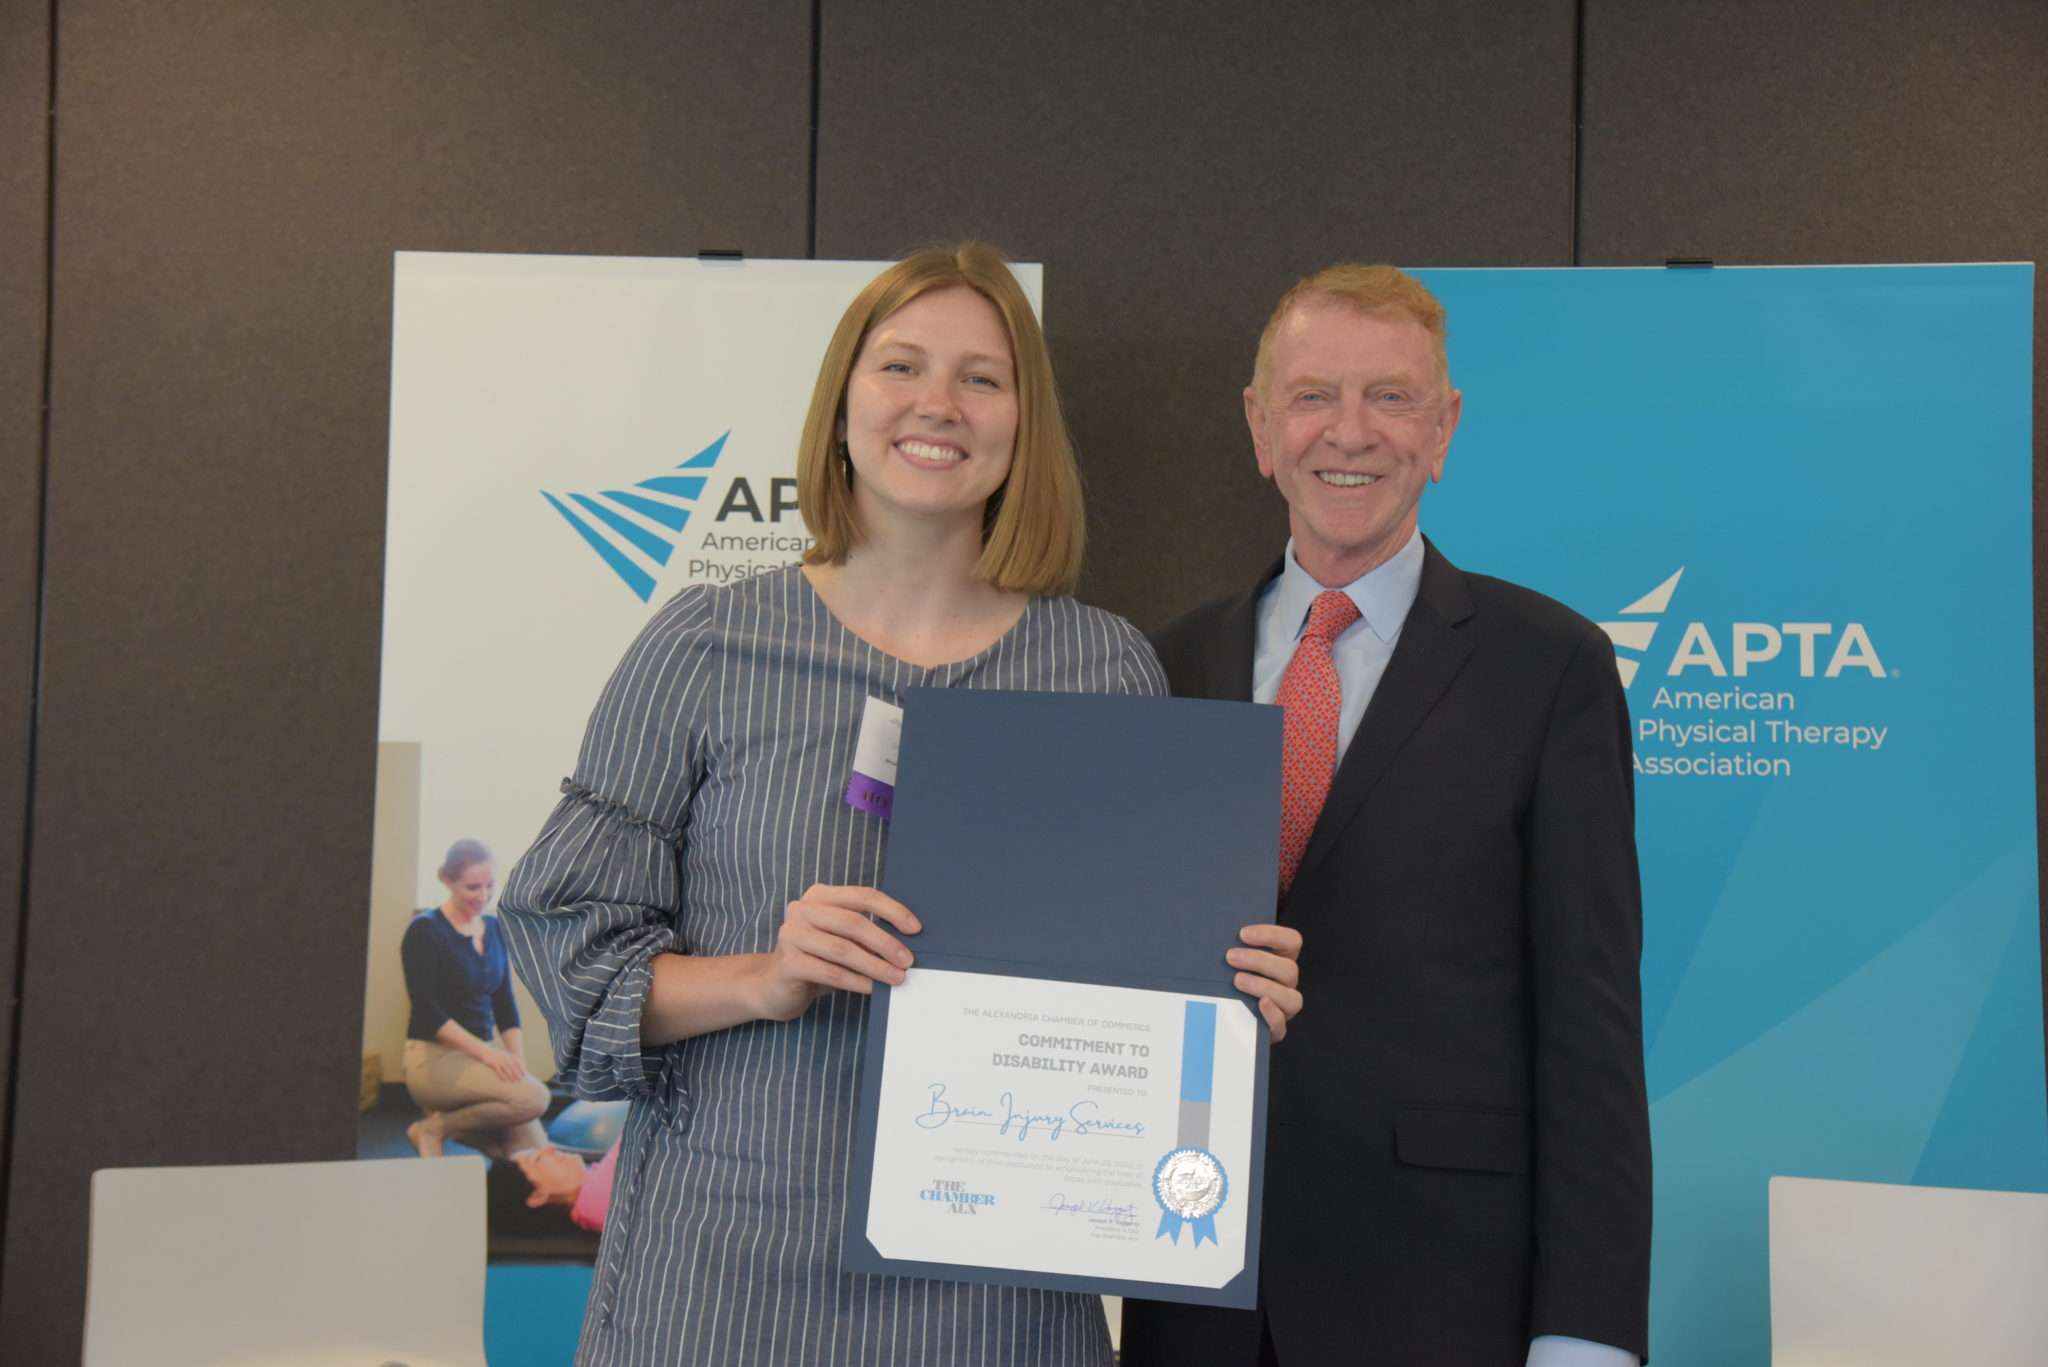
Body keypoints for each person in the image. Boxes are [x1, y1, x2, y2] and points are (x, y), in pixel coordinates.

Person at [497, 244, 1304, 1367]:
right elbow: (566, 961)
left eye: (981, 376)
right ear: (840, 407)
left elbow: (1137, 997)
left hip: (997, 1297)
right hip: (727, 1271)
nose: (937, 403)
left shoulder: (1102, 668)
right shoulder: (707, 644)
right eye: (900, 366)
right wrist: (761, 975)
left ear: (1024, 422)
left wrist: (1220, 1001)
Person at [1120, 266, 1651, 1367]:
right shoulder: (1161, 665)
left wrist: (1587, 1333)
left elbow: (1589, 1027)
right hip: (1189, 1288)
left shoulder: (1549, 668)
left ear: (1443, 429)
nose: (1347, 432)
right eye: (1311, 396)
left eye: (1390, 397)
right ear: (1260, 428)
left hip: (1439, 1293)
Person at [401, 839, 551, 1159]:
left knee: (531, 1156)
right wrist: (489, 1056)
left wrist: (517, 1063)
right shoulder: (424, 931)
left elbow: (505, 1004)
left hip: (475, 1059)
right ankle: (435, 1129)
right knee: (535, 1099)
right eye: (472, 887)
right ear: (448, 881)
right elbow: (428, 1012)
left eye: (490, 886)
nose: (482, 897)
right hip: (432, 1060)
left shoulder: (494, 928)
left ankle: (446, 1127)